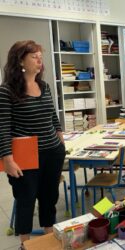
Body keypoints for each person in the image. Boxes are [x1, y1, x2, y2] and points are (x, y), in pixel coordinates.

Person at [0, 40, 66, 246]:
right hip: (25, 157)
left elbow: (52, 116)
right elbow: (2, 128)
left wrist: (60, 139)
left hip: (52, 153)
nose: (40, 61)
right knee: (25, 201)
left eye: (40, 56)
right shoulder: (7, 90)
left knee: (49, 198)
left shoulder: (43, 85)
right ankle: (26, 243)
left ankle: (48, 239)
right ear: (20, 60)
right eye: (34, 56)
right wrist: (8, 160)